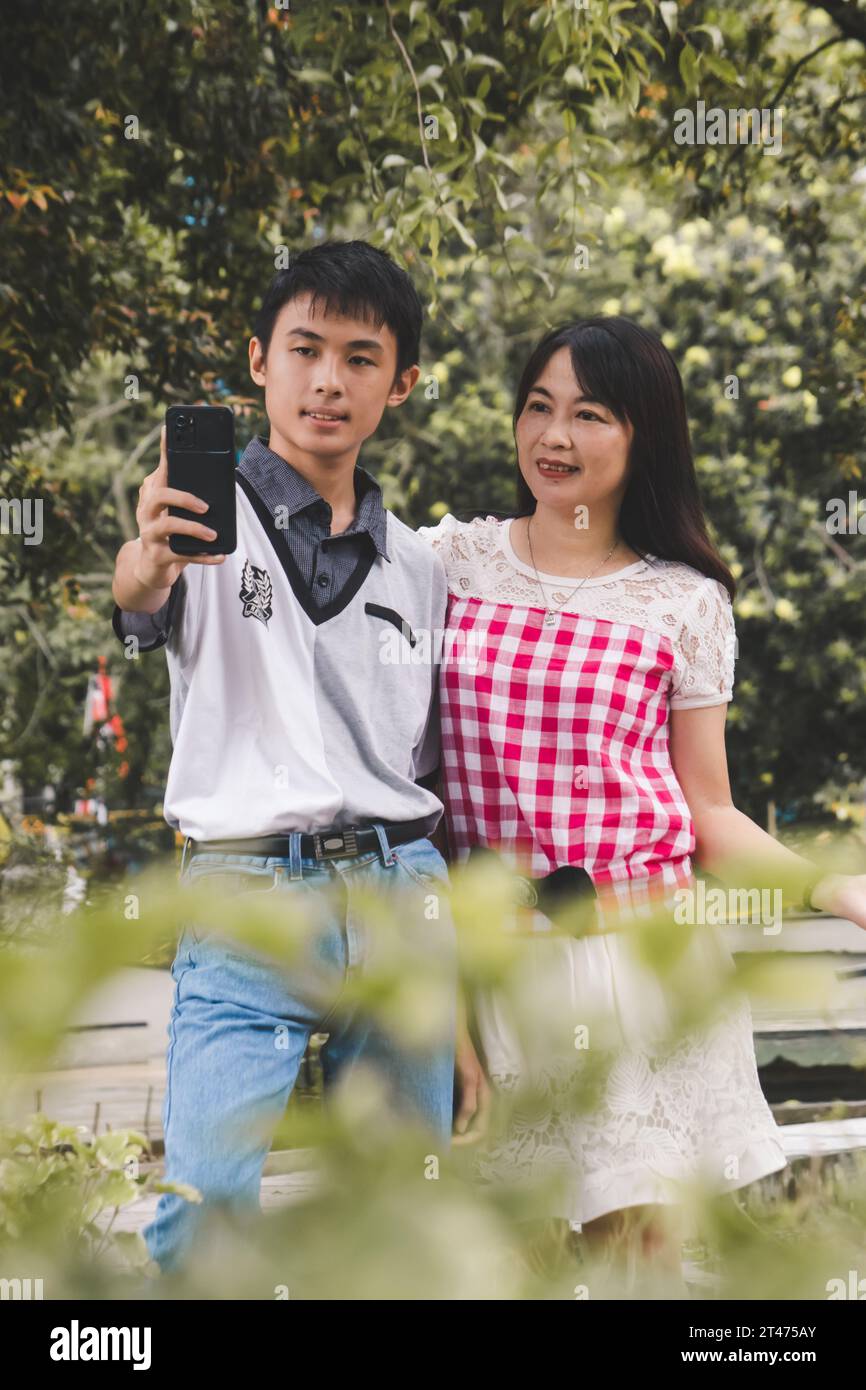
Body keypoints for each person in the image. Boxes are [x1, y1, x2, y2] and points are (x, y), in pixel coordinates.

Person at [416, 315, 866, 1282]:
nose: (555, 436)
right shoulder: (450, 562)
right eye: (539, 407)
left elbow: (709, 812)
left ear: (642, 436)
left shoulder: (683, 601)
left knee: (634, 1271)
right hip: (490, 963)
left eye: (589, 414)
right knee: (506, 1263)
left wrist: (840, 891)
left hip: (641, 960)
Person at [110, 240, 461, 1275]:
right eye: (303, 349)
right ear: (258, 361)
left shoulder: (419, 565)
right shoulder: (195, 523)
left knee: (399, 1221)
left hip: (402, 893)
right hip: (244, 895)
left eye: (359, 358)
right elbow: (140, 598)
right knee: (200, 1217)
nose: (326, 380)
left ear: (397, 384)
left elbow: (422, 757)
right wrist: (147, 563)